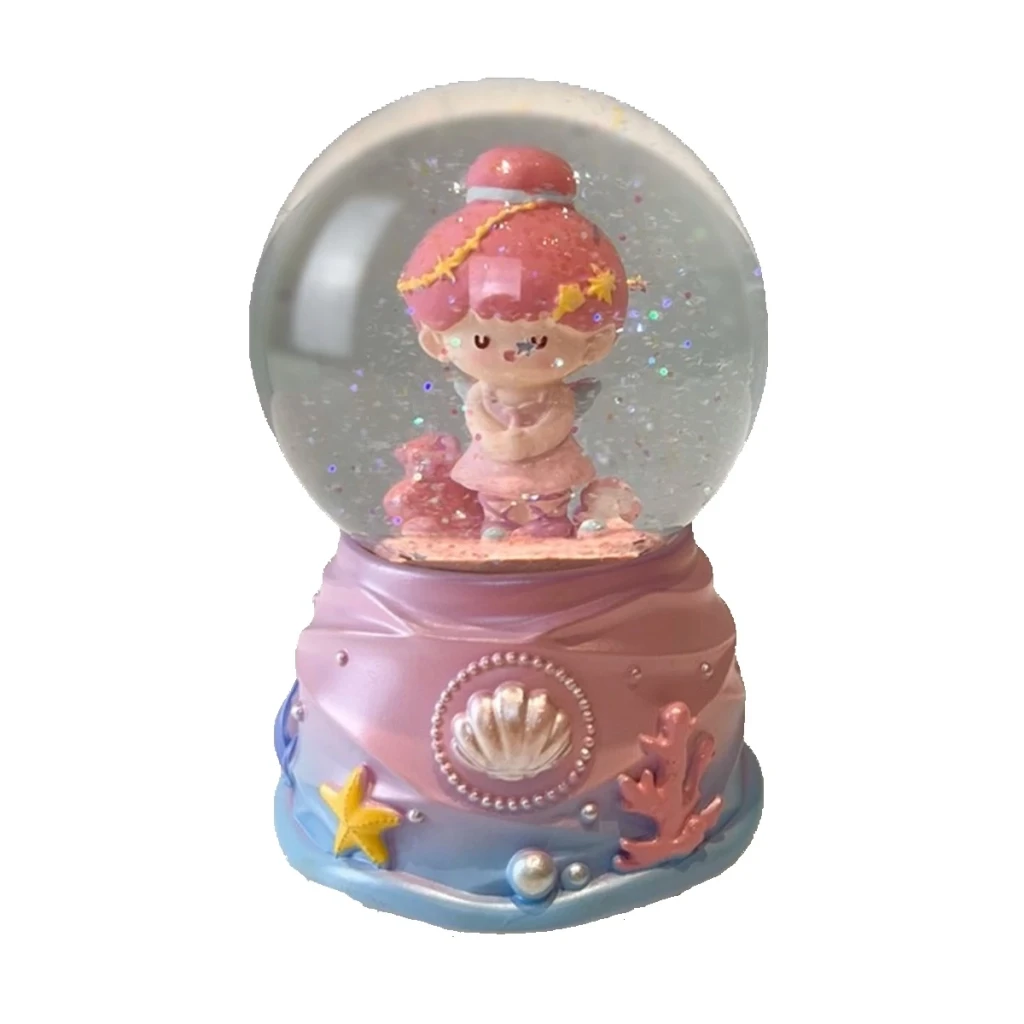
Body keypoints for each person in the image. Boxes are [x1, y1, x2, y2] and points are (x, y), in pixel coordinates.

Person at [398, 146, 628, 538]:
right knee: (495, 494)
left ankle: (548, 521)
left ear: (595, 343)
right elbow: (477, 416)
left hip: (546, 458)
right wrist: (500, 441)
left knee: (549, 492)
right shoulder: (480, 394)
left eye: (536, 341)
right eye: (481, 339)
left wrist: (526, 440)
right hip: (493, 457)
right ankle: (497, 522)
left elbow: (557, 422)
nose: (511, 354)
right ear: (436, 341)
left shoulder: (557, 398)